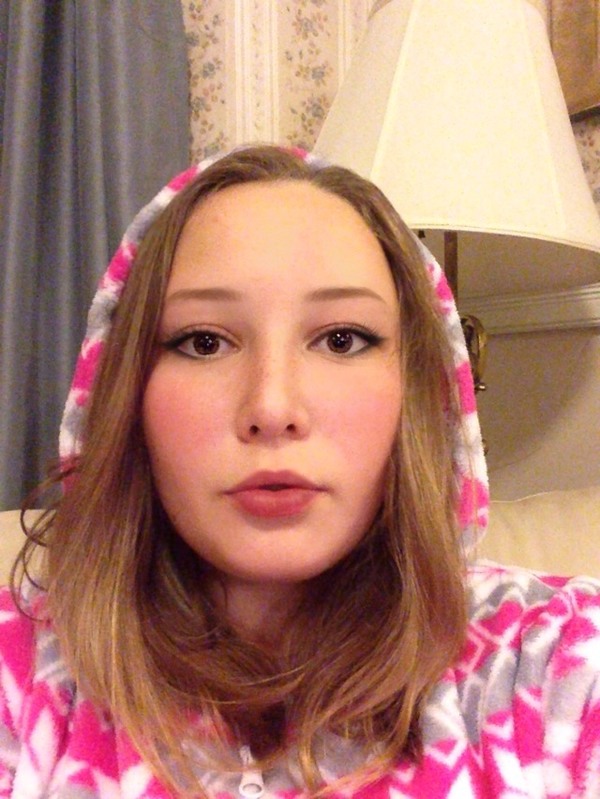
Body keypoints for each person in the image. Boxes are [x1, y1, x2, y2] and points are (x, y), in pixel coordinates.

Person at [2, 145, 599, 798]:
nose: (272, 408)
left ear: (420, 390)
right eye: (204, 341)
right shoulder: (20, 674)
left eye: (342, 339)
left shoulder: (559, 660)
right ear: (126, 393)